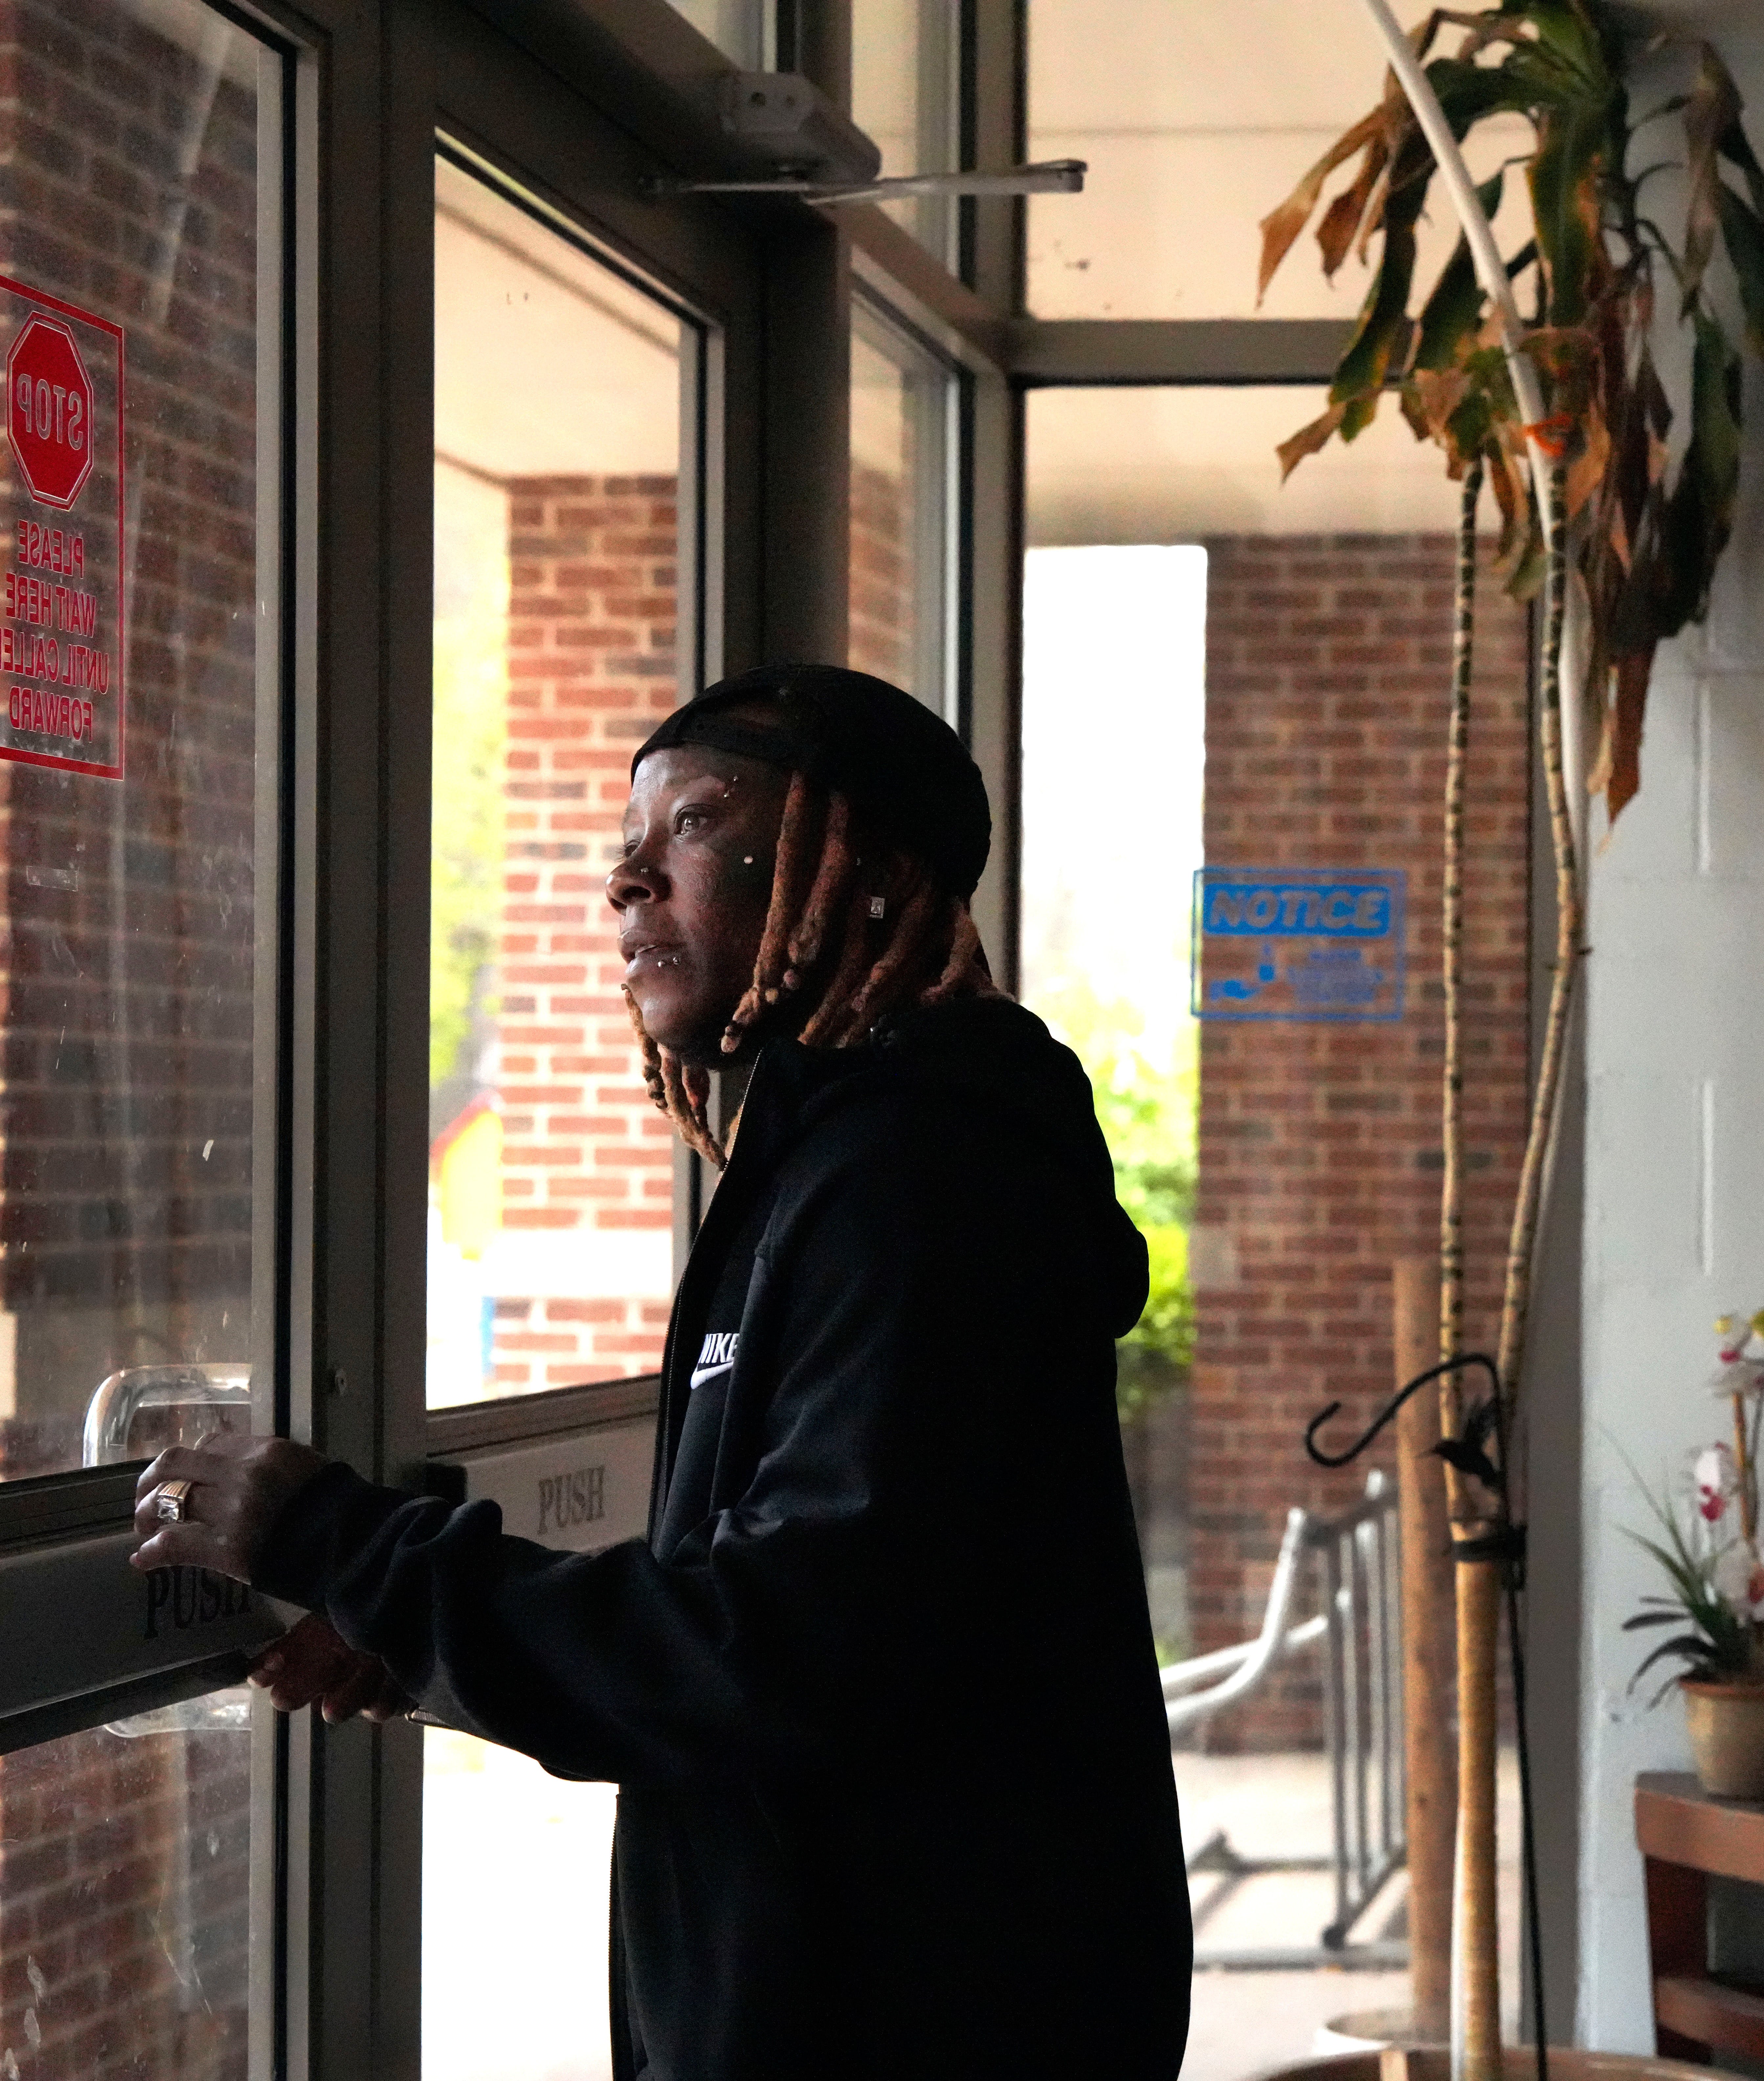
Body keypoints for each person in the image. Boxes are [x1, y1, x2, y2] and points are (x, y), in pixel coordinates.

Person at [127, 664, 1191, 2079]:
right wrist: (422, 1640)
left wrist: (348, 1541)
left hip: (915, 2014)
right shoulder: (835, 1156)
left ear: (859, 876)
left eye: (692, 824)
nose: (627, 877)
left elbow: (776, 1647)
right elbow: (789, 1592)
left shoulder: (920, 1181)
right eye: (628, 841)